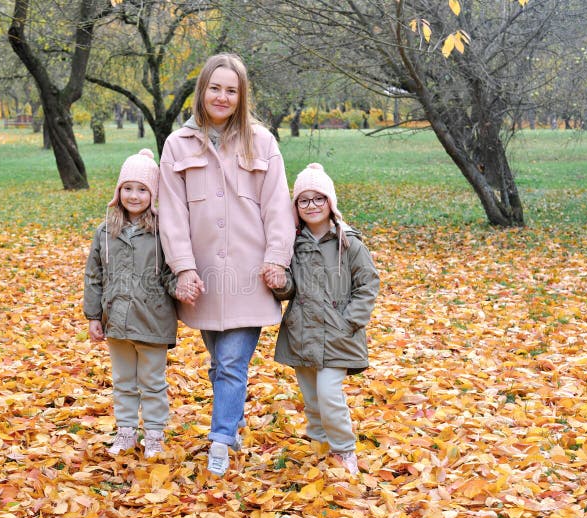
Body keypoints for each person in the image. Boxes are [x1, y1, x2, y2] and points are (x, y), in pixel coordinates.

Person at [158, 53, 295, 476]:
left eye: (231, 90)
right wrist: (182, 267)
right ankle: (231, 427)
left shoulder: (262, 142)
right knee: (220, 364)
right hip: (202, 277)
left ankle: (218, 439)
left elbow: (277, 207)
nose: (222, 96)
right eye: (215, 88)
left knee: (233, 362)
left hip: (250, 274)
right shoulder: (177, 145)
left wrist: (277, 260)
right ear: (202, 91)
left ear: (241, 96)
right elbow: (172, 213)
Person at [269, 162, 379, 475]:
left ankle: (344, 450)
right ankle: (319, 447)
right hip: (302, 333)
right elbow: (290, 287)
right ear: (296, 206)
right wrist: (279, 284)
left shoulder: (349, 243)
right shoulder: (292, 245)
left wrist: (351, 320)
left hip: (338, 333)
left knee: (330, 394)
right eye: (304, 200)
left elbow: (368, 283)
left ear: (330, 202)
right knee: (312, 398)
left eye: (319, 198)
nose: (312, 205)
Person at [83, 148, 178, 459]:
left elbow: (172, 271)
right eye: (128, 188)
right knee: (123, 380)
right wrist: (94, 315)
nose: (134, 196)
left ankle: (153, 434)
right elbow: (94, 276)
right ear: (118, 190)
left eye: (142, 189)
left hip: (152, 320)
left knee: (152, 382)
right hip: (117, 321)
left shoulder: (164, 231)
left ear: (152, 194)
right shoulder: (105, 232)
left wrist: (182, 288)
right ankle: (125, 432)